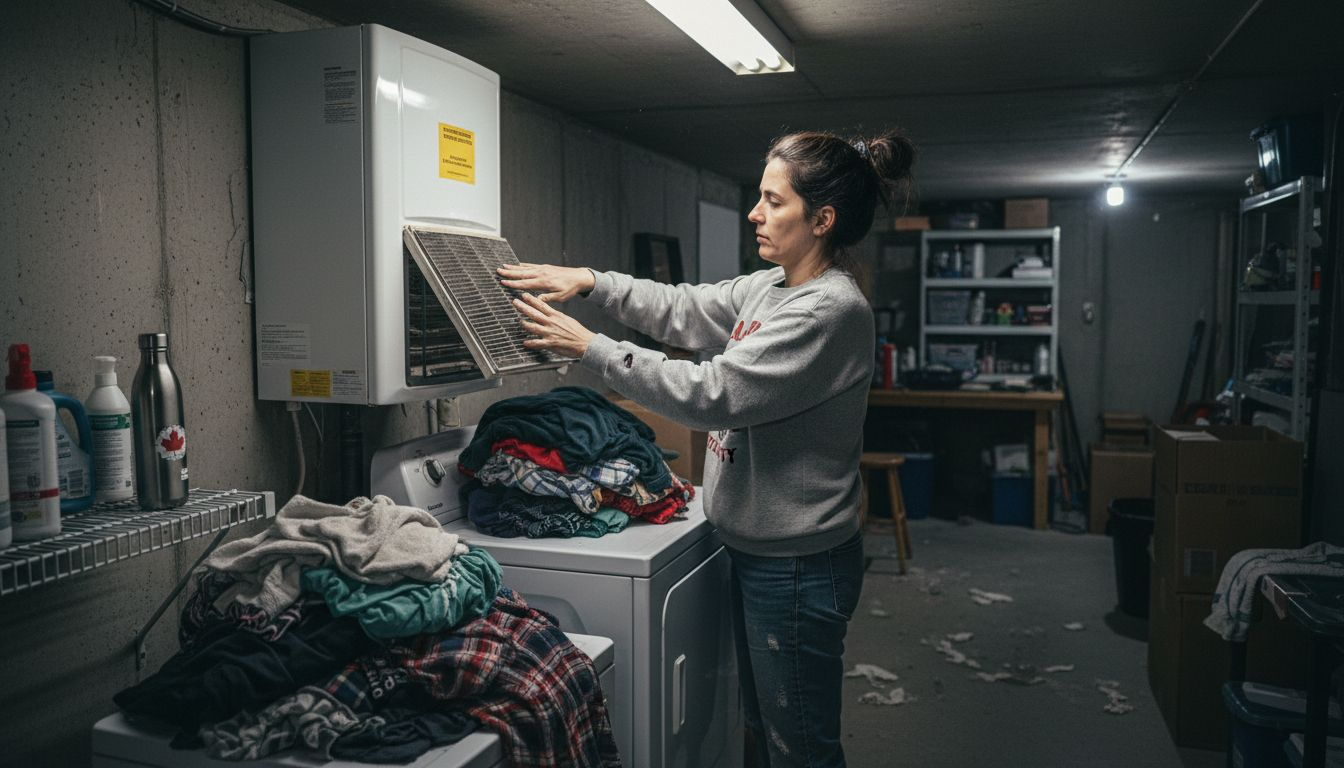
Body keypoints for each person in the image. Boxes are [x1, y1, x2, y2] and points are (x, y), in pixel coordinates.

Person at [498, 129, 916, 768]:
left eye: (774, 202)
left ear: (822, 219)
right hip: (760, 550)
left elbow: (713, 392)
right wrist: (590, 281)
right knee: (764, 727)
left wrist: (591, 348)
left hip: (798, 566)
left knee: (798, 743)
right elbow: (683, 308)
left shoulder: (829, 312)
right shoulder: (769, 288)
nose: (756, 213)